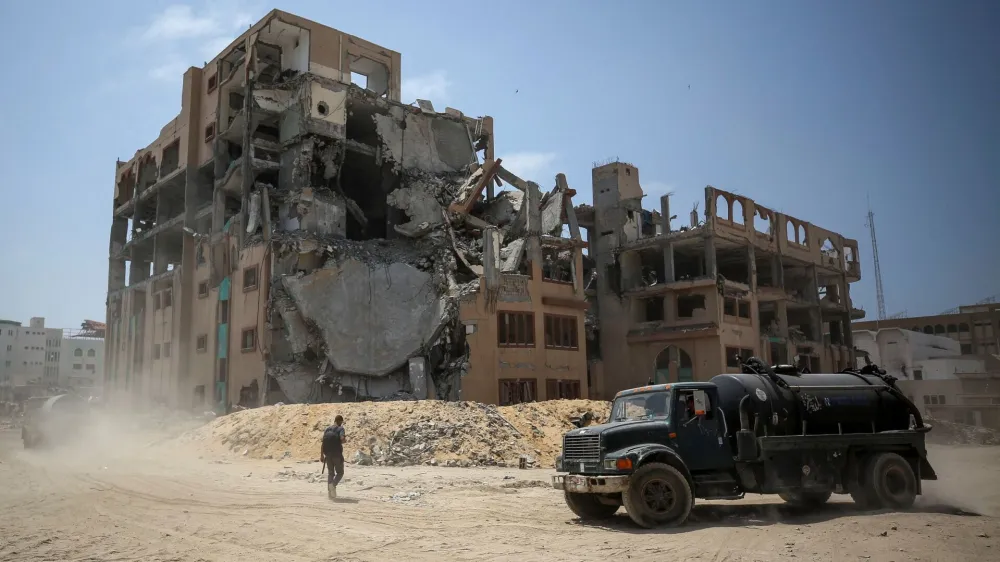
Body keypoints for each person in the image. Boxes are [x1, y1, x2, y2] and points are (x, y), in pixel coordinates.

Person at [320, 415, 347, 499]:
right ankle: (333, 485)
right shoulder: (340, 429)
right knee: (340, 473)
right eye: (341, 422)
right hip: (337, 455)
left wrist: (321, 455)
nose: (341, 424)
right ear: (339, 421)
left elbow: (323, 443)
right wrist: (344, 440)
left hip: (327, 455)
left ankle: (330, 494)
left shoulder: (327, 429)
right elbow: (342, 439)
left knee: (330, 473)